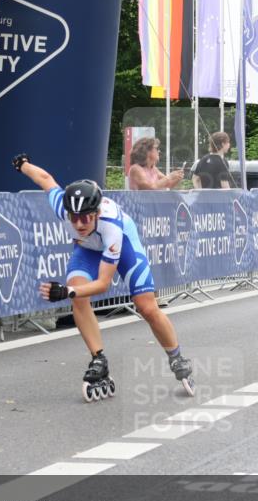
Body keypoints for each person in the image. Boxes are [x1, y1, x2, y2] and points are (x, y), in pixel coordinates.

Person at [12, 153, 195, 400]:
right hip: (87, 248)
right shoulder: (64, 209)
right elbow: (45, 179)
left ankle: (176, 358)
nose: (79, 224)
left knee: (146, 307)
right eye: (74, 218)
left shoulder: (110, 225)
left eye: (86, 217)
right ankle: (99, 359)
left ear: (96, 212)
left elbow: (103, 284)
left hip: (124, 247)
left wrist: (65, 292)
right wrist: (24, 165)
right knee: (78, 295)